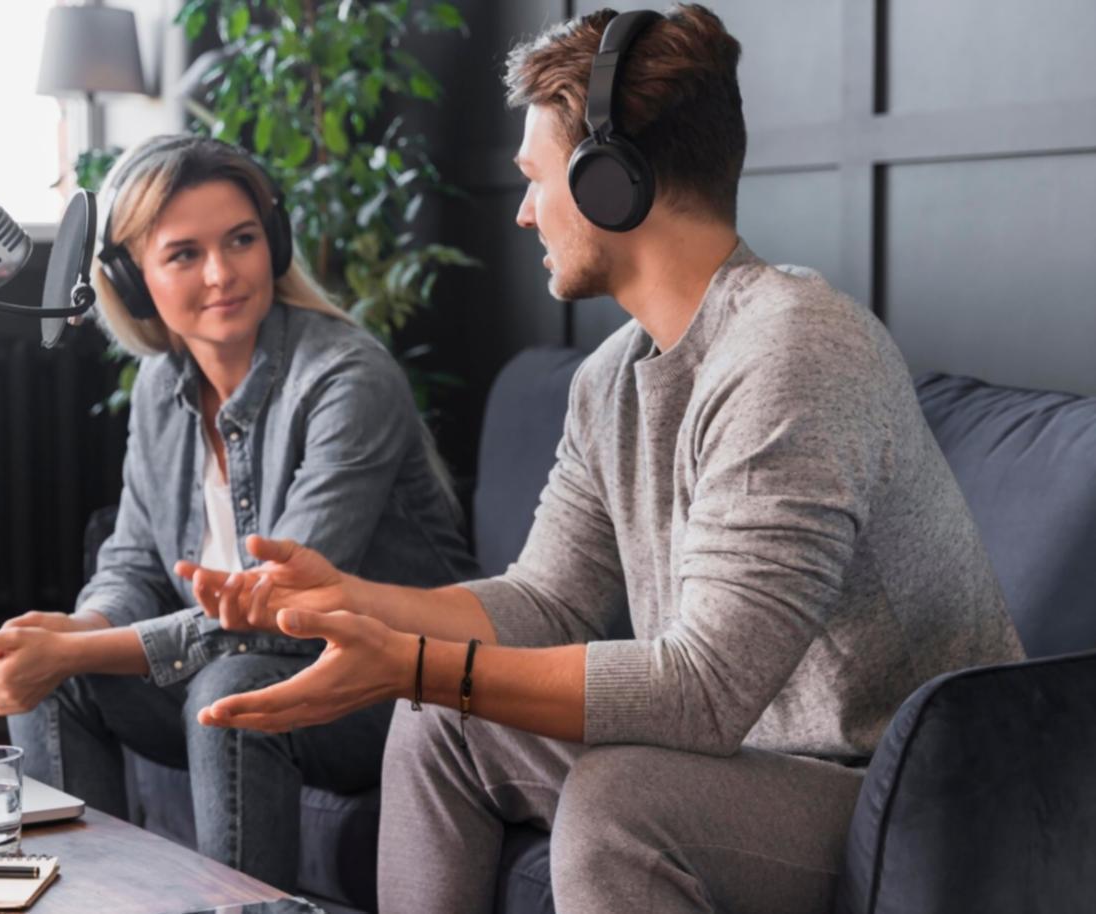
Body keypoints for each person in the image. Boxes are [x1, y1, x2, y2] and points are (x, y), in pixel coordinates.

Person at [174, 7, 1026, 913]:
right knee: (439, 723)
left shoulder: (795, 349)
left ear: (611, 182)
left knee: (619, 802)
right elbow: (548, 601)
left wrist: (410, 661)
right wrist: (349, 600)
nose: (524, 210)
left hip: (901, 793)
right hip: (749, 758)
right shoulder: (610, 378)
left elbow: (705, 689)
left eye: (537, 179)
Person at [0, 134, 478, 892]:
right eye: (184, 254)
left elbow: (275, 607)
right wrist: (79, 632)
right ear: (133, 284)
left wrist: (81, 648)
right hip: (245, 664)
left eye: (241, 240)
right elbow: (133, 560)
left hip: (394, 685)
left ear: (275, 242)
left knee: (231, 685)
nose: (223, 273)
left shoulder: (347, 379)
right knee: (55, 679)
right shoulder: (161, 389)